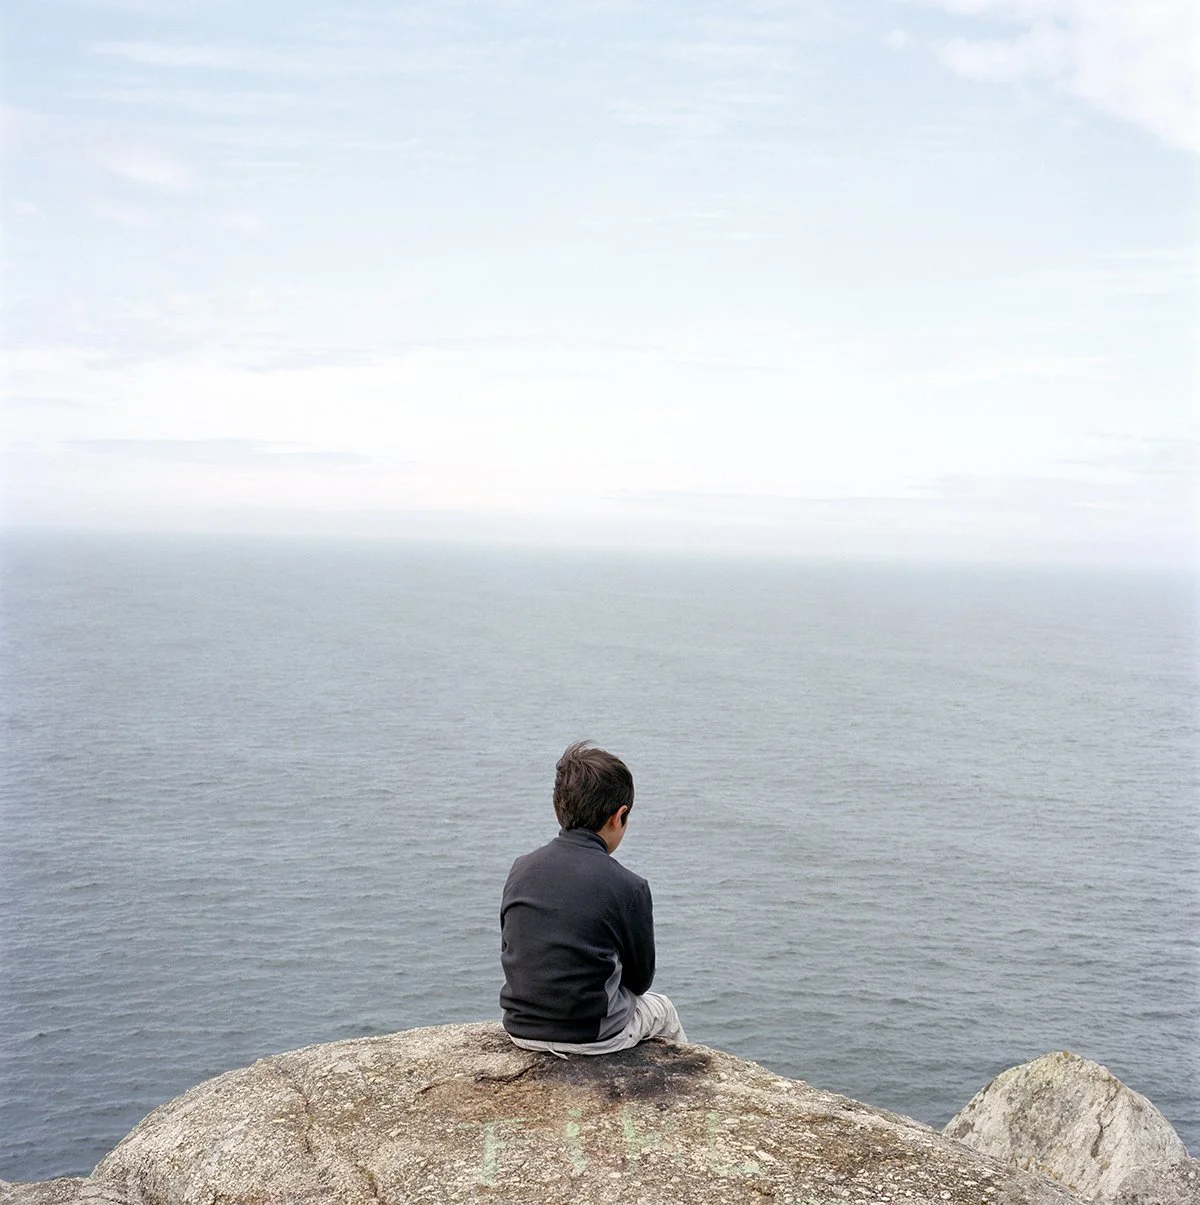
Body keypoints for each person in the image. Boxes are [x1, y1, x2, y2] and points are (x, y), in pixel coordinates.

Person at [499, 741, 687, 1056]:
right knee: (662, 1009)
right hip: (592, 1035)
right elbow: (639, 983)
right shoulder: (629, 887)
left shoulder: (521, 869)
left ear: (558, 807)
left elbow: (514, 950)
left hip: (520, 1029)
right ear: (620, 816)